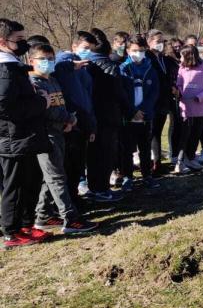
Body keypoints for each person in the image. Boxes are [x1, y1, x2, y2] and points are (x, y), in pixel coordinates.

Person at [28, 43, 98, 234]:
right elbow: (46, 112)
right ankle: (71, 219)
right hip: (46, 136)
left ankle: (43, 216)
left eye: (50, 58)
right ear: (31, 61)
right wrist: (69, 118)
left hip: (60, 133)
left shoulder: (52, 80)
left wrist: (69, 119)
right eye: (43, 59)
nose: (48, 62)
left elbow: (60, 105)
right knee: (57, 177)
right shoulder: (33, 84)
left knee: (50, 177)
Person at [0, 19, 51, 247]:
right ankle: (11, 232)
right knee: (15, 186)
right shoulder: (4, 69)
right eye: (19, 40)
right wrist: (41, 103)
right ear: (3, 41)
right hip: (14, 139)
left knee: (28, 182)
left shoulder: (13, 65)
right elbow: (4, 106)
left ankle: (24, 225)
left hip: (23, 137)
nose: (24, 44)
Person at [85, 28, 130, 202]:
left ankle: (93, 187)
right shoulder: (109, 67)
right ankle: (102, 189)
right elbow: (119, 93)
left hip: (90, 116)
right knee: (105, 155)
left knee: (92, 156)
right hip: (108, 116)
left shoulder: (84, 65)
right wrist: (129, 111)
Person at [54, 32, 97, 206]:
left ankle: (75, 198)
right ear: (74, 47)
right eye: (85, 48)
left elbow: (88, 97)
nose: (88, 53)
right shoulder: (65, 62)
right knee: (67, 166)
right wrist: (71, 64)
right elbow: (58, 65)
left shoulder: (84, 69)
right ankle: (66, 202)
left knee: (77, 165)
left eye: (91, 50)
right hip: (70, 122)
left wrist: (92, 125)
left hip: (84, 121)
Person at [119, 35, 160, 190]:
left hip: (145, 116)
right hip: (128, 117)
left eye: (141, 50)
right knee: (127, 149)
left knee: (145, 148)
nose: (138, 53)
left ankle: (147, 175)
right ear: (128, 50)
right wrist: (132, 111)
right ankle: (128, 177)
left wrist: (143, 110)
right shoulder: (123, 69)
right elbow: (121, 93)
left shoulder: (150, 68)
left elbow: (154, 92)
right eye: (135, 50)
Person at [174, 45, 203, 173]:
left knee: (196, 134)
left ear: (189, 56)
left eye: (182, 56)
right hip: (186, 108)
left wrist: (200, 97)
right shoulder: (181, 69)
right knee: (185, 135)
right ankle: (180, 161)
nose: (180, 58)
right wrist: (179, 93)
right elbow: (179, 85)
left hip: (201, 107)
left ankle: (191, 157)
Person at [146, 29, 177, 174]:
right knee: (150, 133)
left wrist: (174, 86)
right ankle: (151, 163)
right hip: (151, 102)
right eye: (157, 41)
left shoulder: (165, 59)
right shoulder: (146, 58)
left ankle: (157, 162)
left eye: (162, 42)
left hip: (164, 101)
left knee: (157, 132)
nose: (160, 44)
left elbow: (171, 77)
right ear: (149, 42)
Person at [166, 37, 184, 163]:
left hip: (183, 94)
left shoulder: (182, 59)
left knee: (181, 125)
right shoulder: (168, 60)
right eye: (175, 47)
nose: (177, 49)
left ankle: (179, 151)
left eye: (179, 46)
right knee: (174, 124)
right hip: (172, 96)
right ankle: (172, 152)